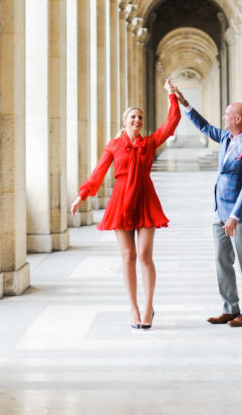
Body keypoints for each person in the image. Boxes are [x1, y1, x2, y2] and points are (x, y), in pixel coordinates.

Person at [70, 79, 180, 329]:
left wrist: (171, 95)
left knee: (144, 255)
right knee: (128, 256)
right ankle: (134, 309)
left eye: (139, 118)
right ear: (124, 121)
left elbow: (171, 124)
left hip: (145, 198)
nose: (137, 121)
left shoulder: (150, 143)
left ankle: (149, 307)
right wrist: (81, 195)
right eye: (132, 117)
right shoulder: (114, 146)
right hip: (121, 200)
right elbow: (98, 172)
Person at [169, 84, 242, 327]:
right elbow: (204, 125)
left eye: (226, 115)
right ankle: (230, 308)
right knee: (222, 260)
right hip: (219, 211)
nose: (222, 118)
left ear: (238, 119)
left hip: (238, 215)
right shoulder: (225, 137)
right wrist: (183, 102)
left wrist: (234, 216)